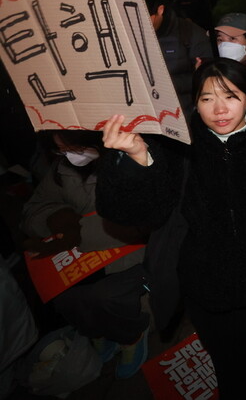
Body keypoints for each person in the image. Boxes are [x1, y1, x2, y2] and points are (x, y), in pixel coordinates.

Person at [97, 59, 246, 398]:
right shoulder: (178, 148)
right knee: (233, 372)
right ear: (195, 103)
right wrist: (136, 157)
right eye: (207, 99)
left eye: (231, 96)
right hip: (209, 287)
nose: (219, 109)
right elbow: (134, 212)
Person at [21, 131, 150, 379]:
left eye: (74, 148)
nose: (69, 155)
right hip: (80, 253)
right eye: (60, 150)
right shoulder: (63, 168)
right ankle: (98, 333)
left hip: (131, 249)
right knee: (63, 296)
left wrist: (78, 232)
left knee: (106, 296)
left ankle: (132, 336)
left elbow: (141, 220)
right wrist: (56, 219)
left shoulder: (130, 158)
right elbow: (35, 207)